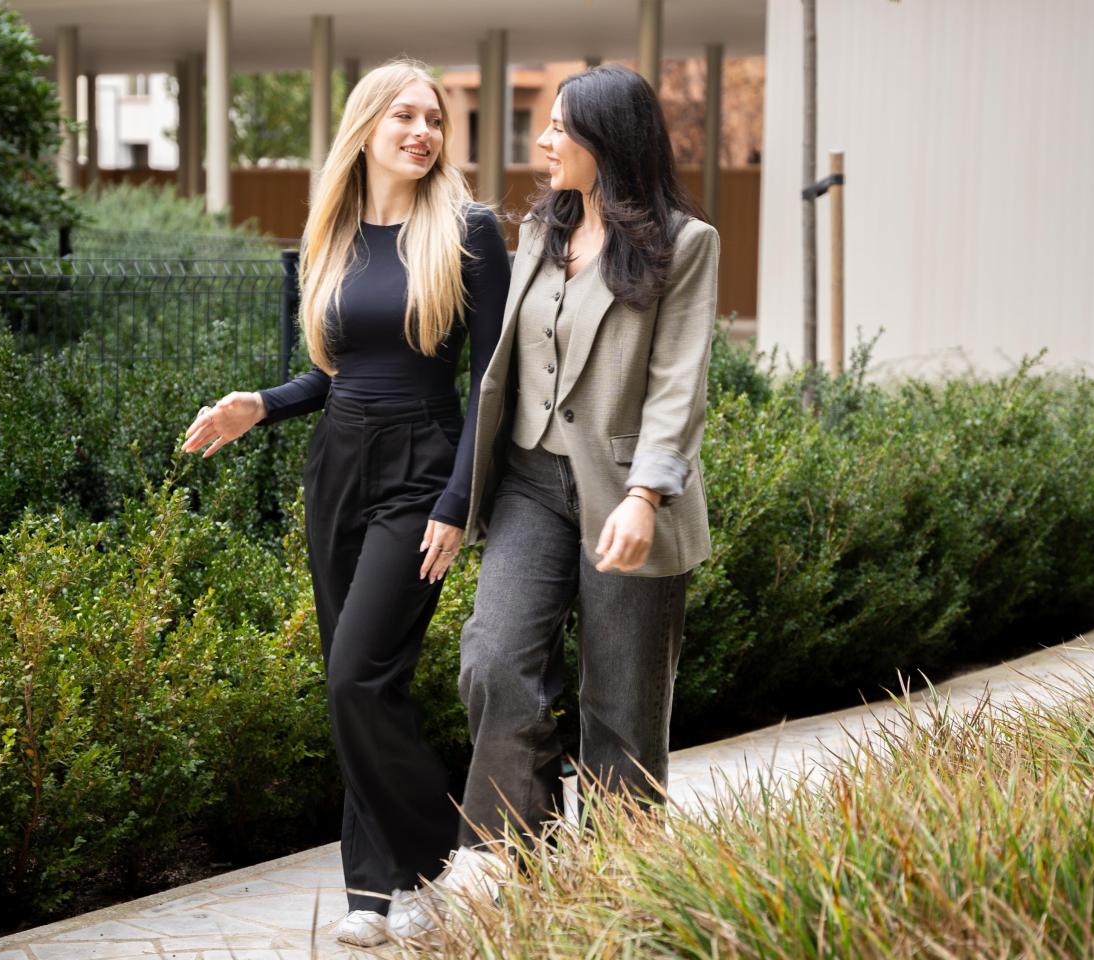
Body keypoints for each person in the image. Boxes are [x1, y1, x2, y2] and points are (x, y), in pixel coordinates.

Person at [180, 59, 508, 948]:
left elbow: (489, 382)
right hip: (337, 468)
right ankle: (374, 891)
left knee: (354, 675)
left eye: (433, 118)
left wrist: (457, 499)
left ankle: (452, 862)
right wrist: (263, 404)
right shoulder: (329, 237)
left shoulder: (470, 232)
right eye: (403, 115)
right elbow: (333, 375)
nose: (422, 131)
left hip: (422, 467)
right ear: (365, 128)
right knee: (362, 689)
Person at [426, 62, 721, 922]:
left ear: (607, 141)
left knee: (621, 705)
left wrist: (645, 494)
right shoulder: (538, 233)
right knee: (493, 659)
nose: (544, 143)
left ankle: (623, 886)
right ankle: (509, 848)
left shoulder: (683, 242)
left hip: (628, 494)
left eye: (560, 128)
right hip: (528, 479)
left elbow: (678, 383)